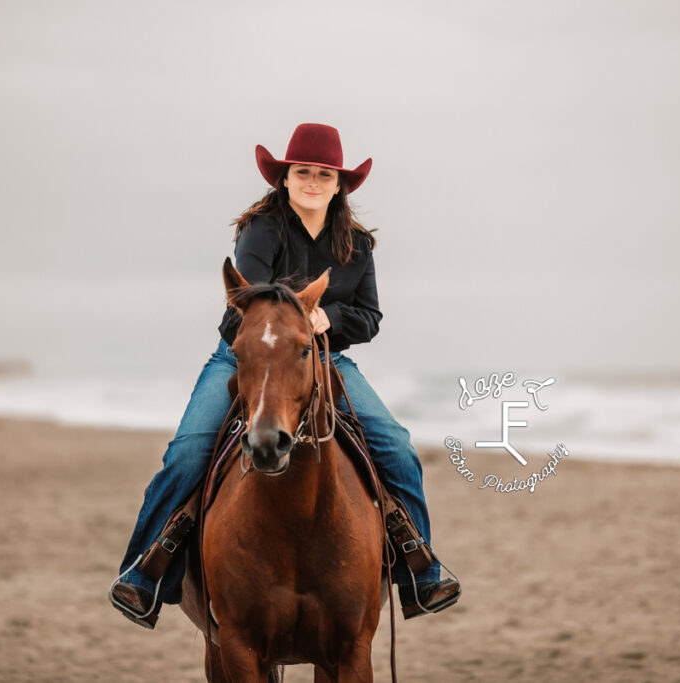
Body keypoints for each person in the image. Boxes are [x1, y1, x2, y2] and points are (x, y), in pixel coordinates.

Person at [110, 123, 460, 629]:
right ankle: (143, 573)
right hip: (245, 358)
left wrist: (329, 321)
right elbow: (248, 301)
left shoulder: (357, 246)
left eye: (324, 174)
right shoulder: (262, 230)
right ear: (286, 178)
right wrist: (300, 314)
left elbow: (370, 318)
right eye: (303, 173)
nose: (313, 182)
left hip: (325, 360)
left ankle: (418, 570)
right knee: (188, 451)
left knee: (399, 448)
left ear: (339, 184)